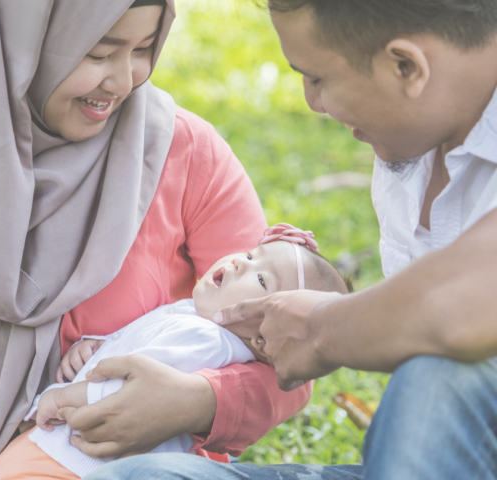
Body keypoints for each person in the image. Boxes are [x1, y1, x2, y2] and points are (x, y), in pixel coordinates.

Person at [0, 2, 312, 480]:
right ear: (13, 38)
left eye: (142, 49)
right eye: (98, 53)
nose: (123, 80)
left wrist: (195, 402)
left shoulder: (185, 155)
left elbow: (293, 354)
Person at [82, 0, 497, 479]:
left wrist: (322, 328)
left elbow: (463, 308)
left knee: (437, 382)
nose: (311, 102)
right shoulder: (413, 148)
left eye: (317, 78)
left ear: (405, 66)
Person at [0, 225, 350, 480]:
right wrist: (95, 346)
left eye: (260, 279)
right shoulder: (192, 316)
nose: (241, 262)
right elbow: (139, 345)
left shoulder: (208, 340)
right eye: (251, 254)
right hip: (62, 454)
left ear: (264, 338)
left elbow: (129, 395)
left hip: (76, 462)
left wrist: (59, 397)